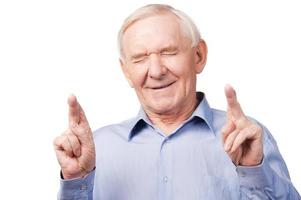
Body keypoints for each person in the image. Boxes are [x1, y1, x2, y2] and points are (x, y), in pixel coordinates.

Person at [53, 4, 300, 200]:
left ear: (199, 56)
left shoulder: (247, 139)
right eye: (140, 58)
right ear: (126, 71)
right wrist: (76, 182)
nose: (157, 70)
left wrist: (254, 171)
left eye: (169, 52)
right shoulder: (97, 150)